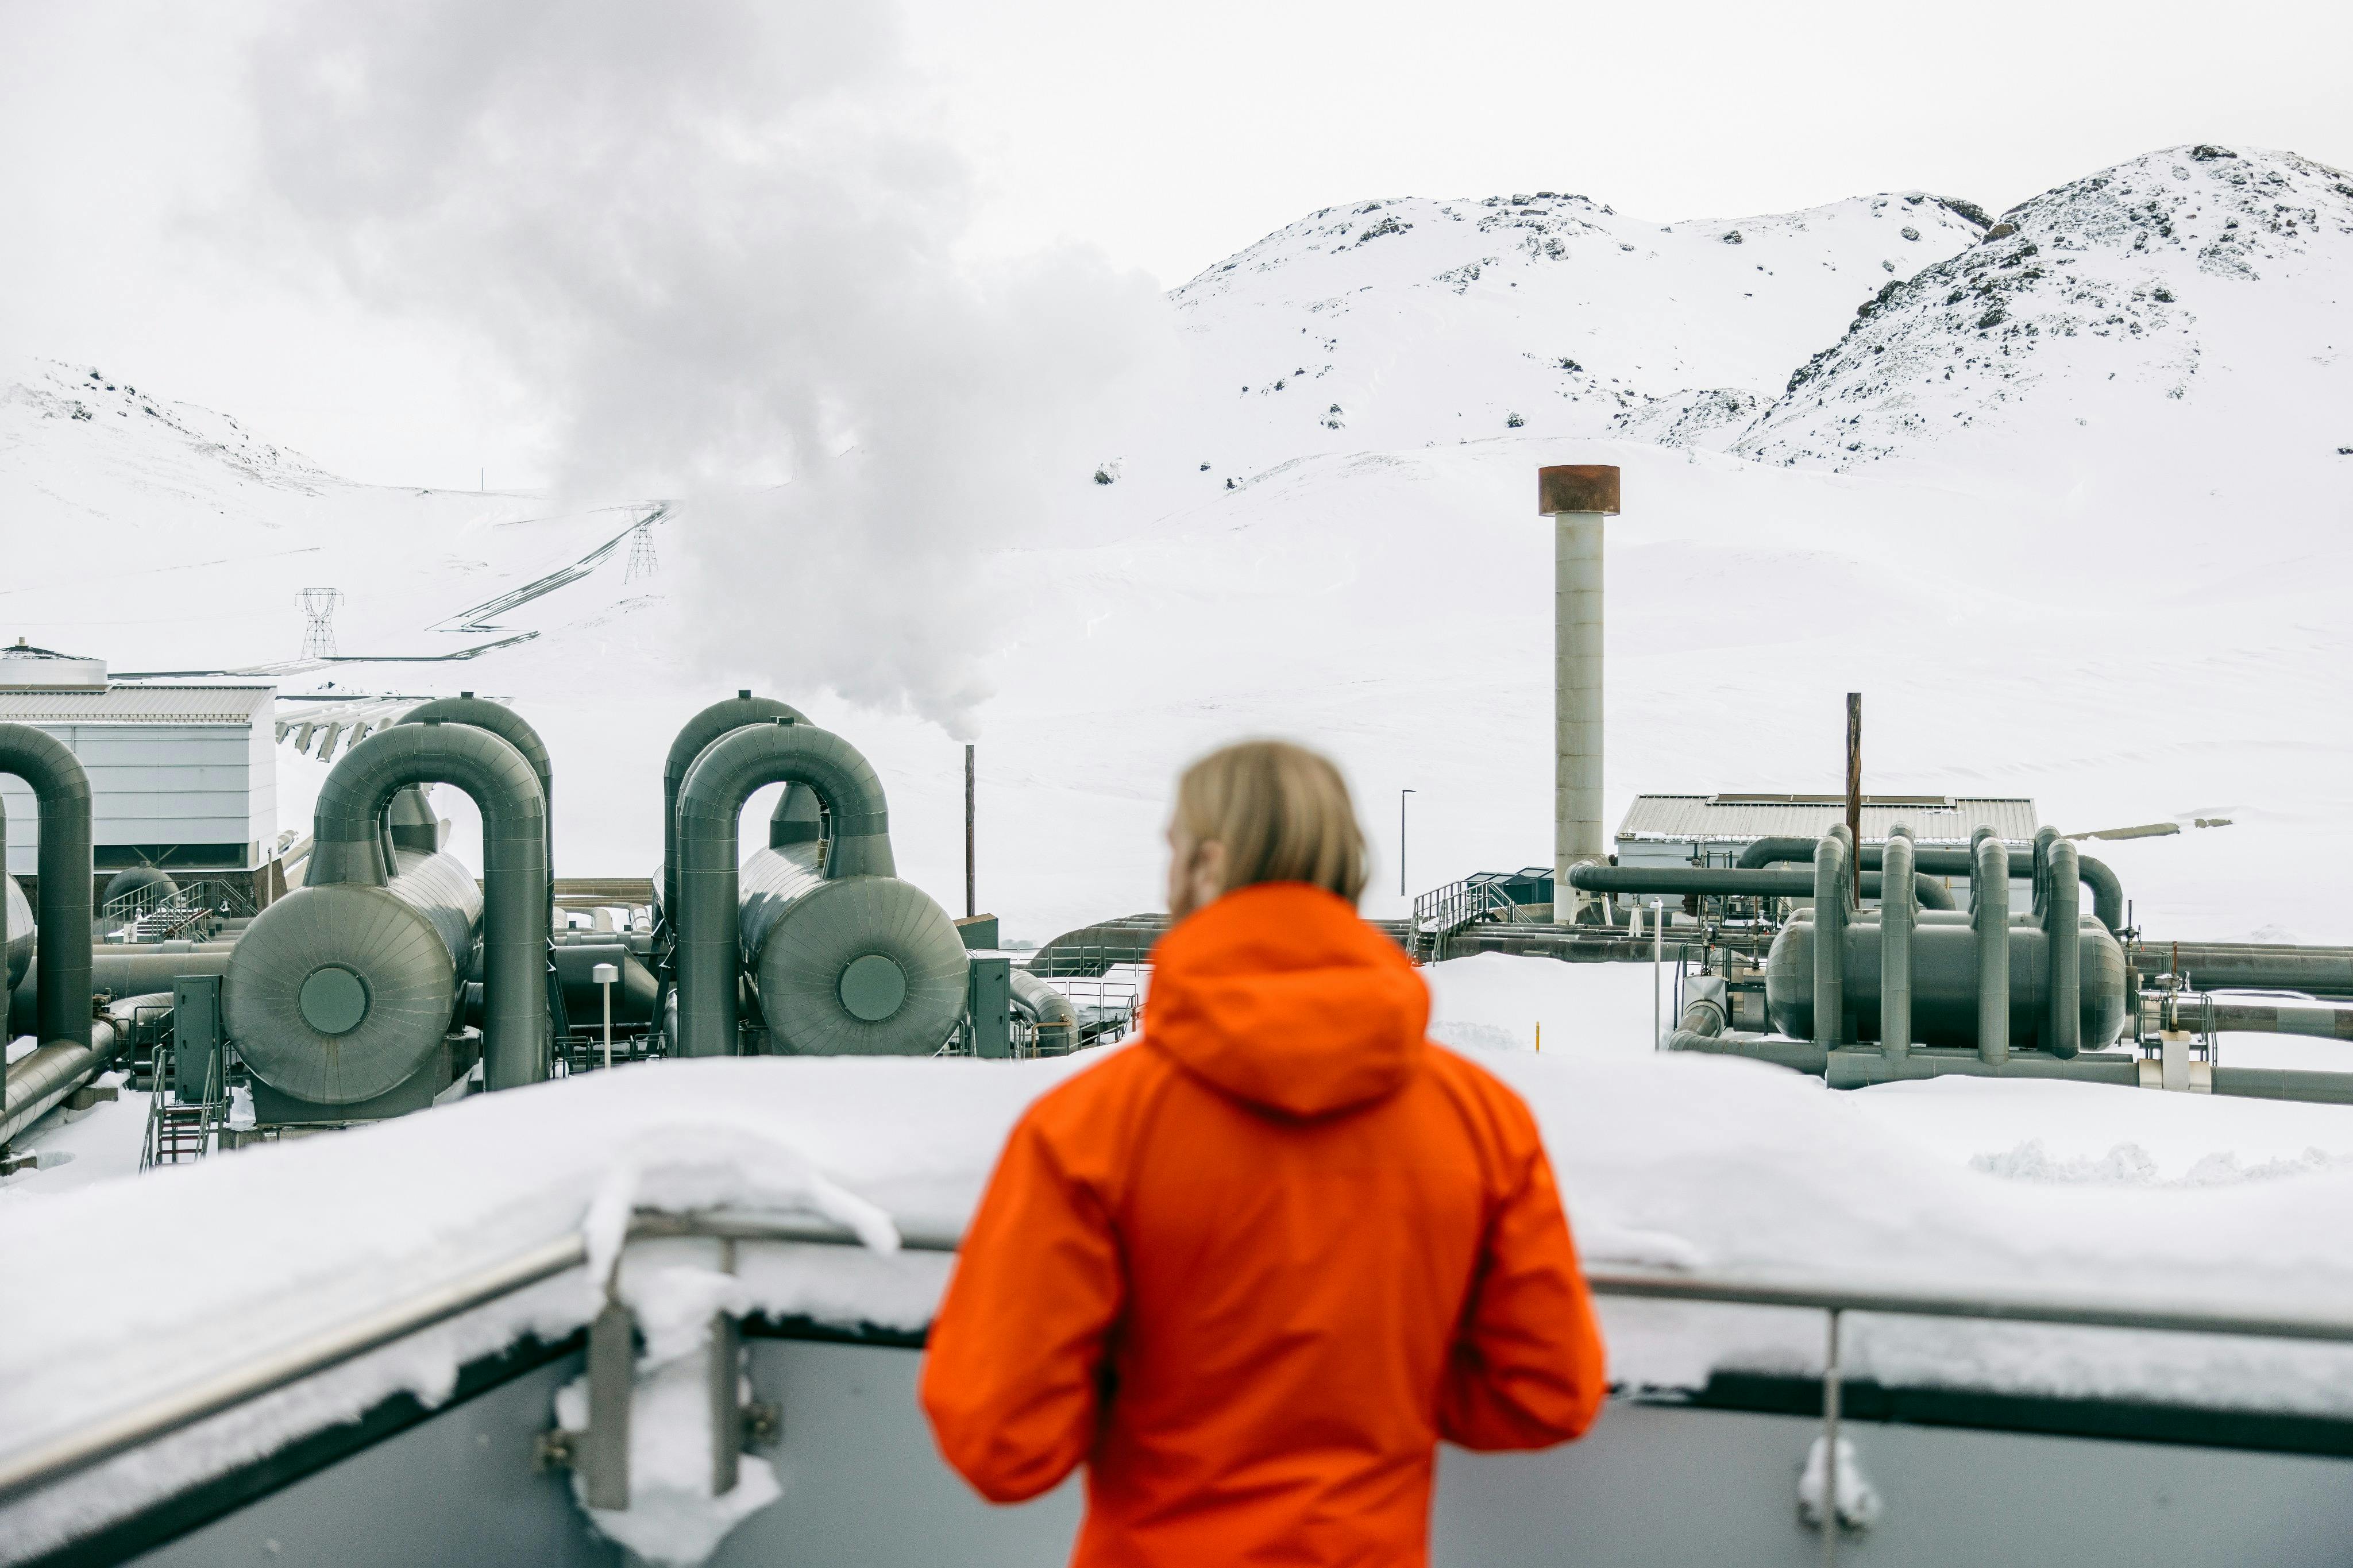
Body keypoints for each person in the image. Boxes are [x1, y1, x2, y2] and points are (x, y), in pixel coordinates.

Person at [920, 739, 1606, 1566]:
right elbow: (1548, 1392)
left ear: (1208, 866)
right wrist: (1381, 1395)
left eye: (1173, 848)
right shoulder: (1483, 1118)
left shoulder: (1090, 1127)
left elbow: (1000, 1439)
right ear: (1346, 868)